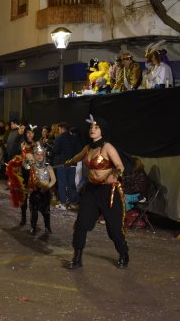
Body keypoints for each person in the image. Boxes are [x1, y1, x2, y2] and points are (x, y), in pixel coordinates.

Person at [65, 115, 129, 269]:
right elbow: (77, 157)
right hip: (91, 190)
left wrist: (114, 175)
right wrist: (67, 162)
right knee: (81, 224)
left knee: (114, 228)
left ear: (102, 130)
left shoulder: (107, 147)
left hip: (108, 192)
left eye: (96, 127)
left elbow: (120, 166)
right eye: (91, 127)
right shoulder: (88, 148)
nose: (92, 129)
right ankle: (77, 258)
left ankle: (123, 253)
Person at [27, 142, 57, 235]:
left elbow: (54, 180)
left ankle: (47, 227)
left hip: (45, 193)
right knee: (34, 210)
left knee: (46, 211)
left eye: (41, 154)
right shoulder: (32, 167)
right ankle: (33, 227)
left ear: (44, 155)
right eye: (37, 154)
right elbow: (29, 180)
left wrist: (47, 187)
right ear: (34, 155)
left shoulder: (48, 167)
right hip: (35, 192)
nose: (39, 156)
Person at [53, 122, 82, 210]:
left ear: (61, 128)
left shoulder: (59, 138)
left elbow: (56, 150)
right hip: (72, 164)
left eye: (59, 129)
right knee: (71, 184)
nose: (58, 130)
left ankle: (63, 203)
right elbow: (79, 151)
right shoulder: (75, 138)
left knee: (62, 184)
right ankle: (73, 202)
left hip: (61, 164)